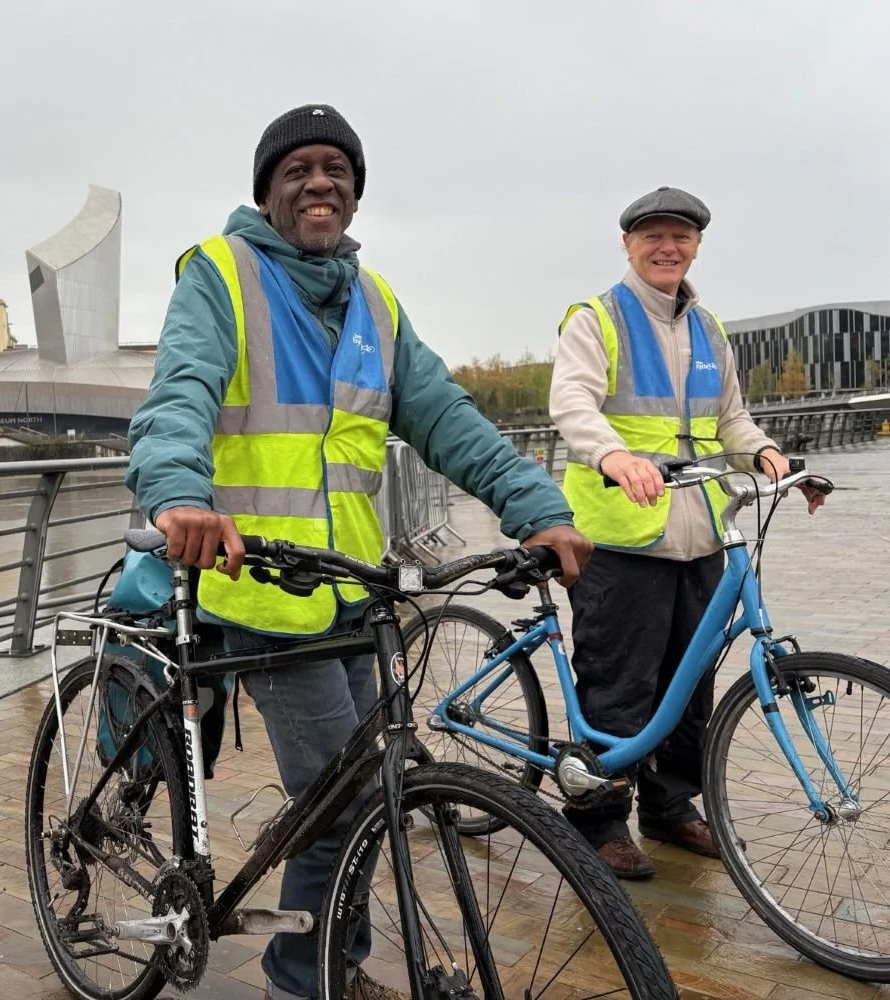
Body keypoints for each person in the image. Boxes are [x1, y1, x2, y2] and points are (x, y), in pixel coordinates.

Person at [126, 103, 591, 1000]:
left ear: (354, 191)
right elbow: (179, 392)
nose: (319, 183)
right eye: (297, 169)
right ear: (267, 190)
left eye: (335, 169)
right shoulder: (221, 274)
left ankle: (329, 967)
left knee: (365, 794)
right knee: (341, 807)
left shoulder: (373, 300)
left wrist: (535, 508)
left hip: (352, 591)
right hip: (262, 588)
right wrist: (179, 493)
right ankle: (302, 982)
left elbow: (443, 415)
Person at [549, 186, 826, 879]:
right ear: (628, 244)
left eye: (680, 236)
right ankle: (598, 819)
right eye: (653, 236)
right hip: (620, 536)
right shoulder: (597, 318)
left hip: (702, 531)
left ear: (697, 245)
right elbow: (573, 403)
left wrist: (767, 455)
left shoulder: (708, 329)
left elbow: (731, 419)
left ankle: (669, 807)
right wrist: (614, 456)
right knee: (620, 685)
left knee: (691, 682)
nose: (667, 248)